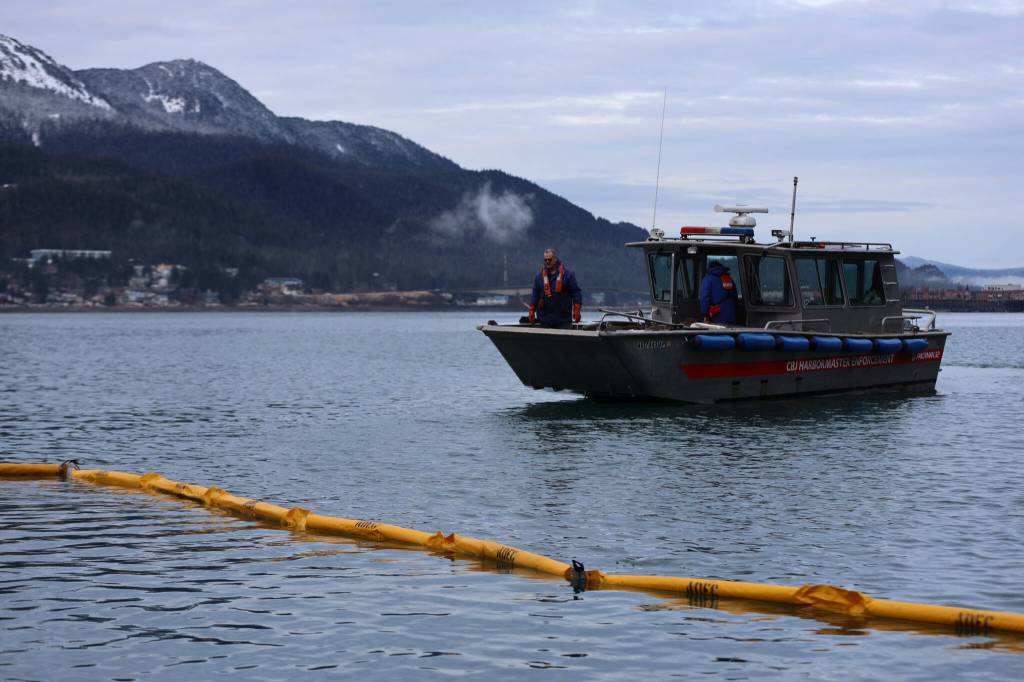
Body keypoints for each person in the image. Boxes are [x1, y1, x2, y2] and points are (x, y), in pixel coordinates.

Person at [528, 248, 582, 328]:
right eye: (545, 260)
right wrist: (531, 310)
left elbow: (576, 293)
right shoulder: (538, 276)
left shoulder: (568, 275)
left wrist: (577, 310)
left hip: (563, 320)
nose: (547, 262)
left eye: (549, 259)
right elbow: (535, 295)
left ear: (555, 259)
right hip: (544, 320)